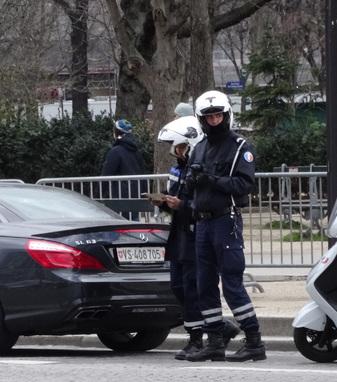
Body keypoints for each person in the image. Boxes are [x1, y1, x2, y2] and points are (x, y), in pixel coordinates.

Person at [184, 90, 266, 362]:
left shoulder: (241, 146)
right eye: (209, 117)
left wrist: (211, 180)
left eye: (218, 115)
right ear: (201, 120)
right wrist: (192, 183)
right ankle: (215, 339)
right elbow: (190, 185)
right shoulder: (198, 148)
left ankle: (254, 340)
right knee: (204, 283)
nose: (214, 120)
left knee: (231, 281)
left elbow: (245, 185)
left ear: (227, 115)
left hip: (226, 220)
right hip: (203, 223)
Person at [150, 116, 240, 360]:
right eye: (175, 148)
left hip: (195, 232)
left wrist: (182, 205)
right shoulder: (177, 169)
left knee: (193, 289)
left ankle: (198, 338)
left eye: (180, 147)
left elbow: (202, 204)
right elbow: (176, 201)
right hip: (179, 234)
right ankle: (220, 326)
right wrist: (165, 204)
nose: (176, 151)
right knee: (178, 286)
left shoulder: (200, 168)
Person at [101, 119, 146, 220]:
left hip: (120, 196)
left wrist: (96, 196)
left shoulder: (115, 151)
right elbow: (142, 172)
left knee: (116, 226)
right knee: (134, 223)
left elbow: (106, 175)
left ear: (116, 132)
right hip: (135, 195)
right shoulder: (136, 150)